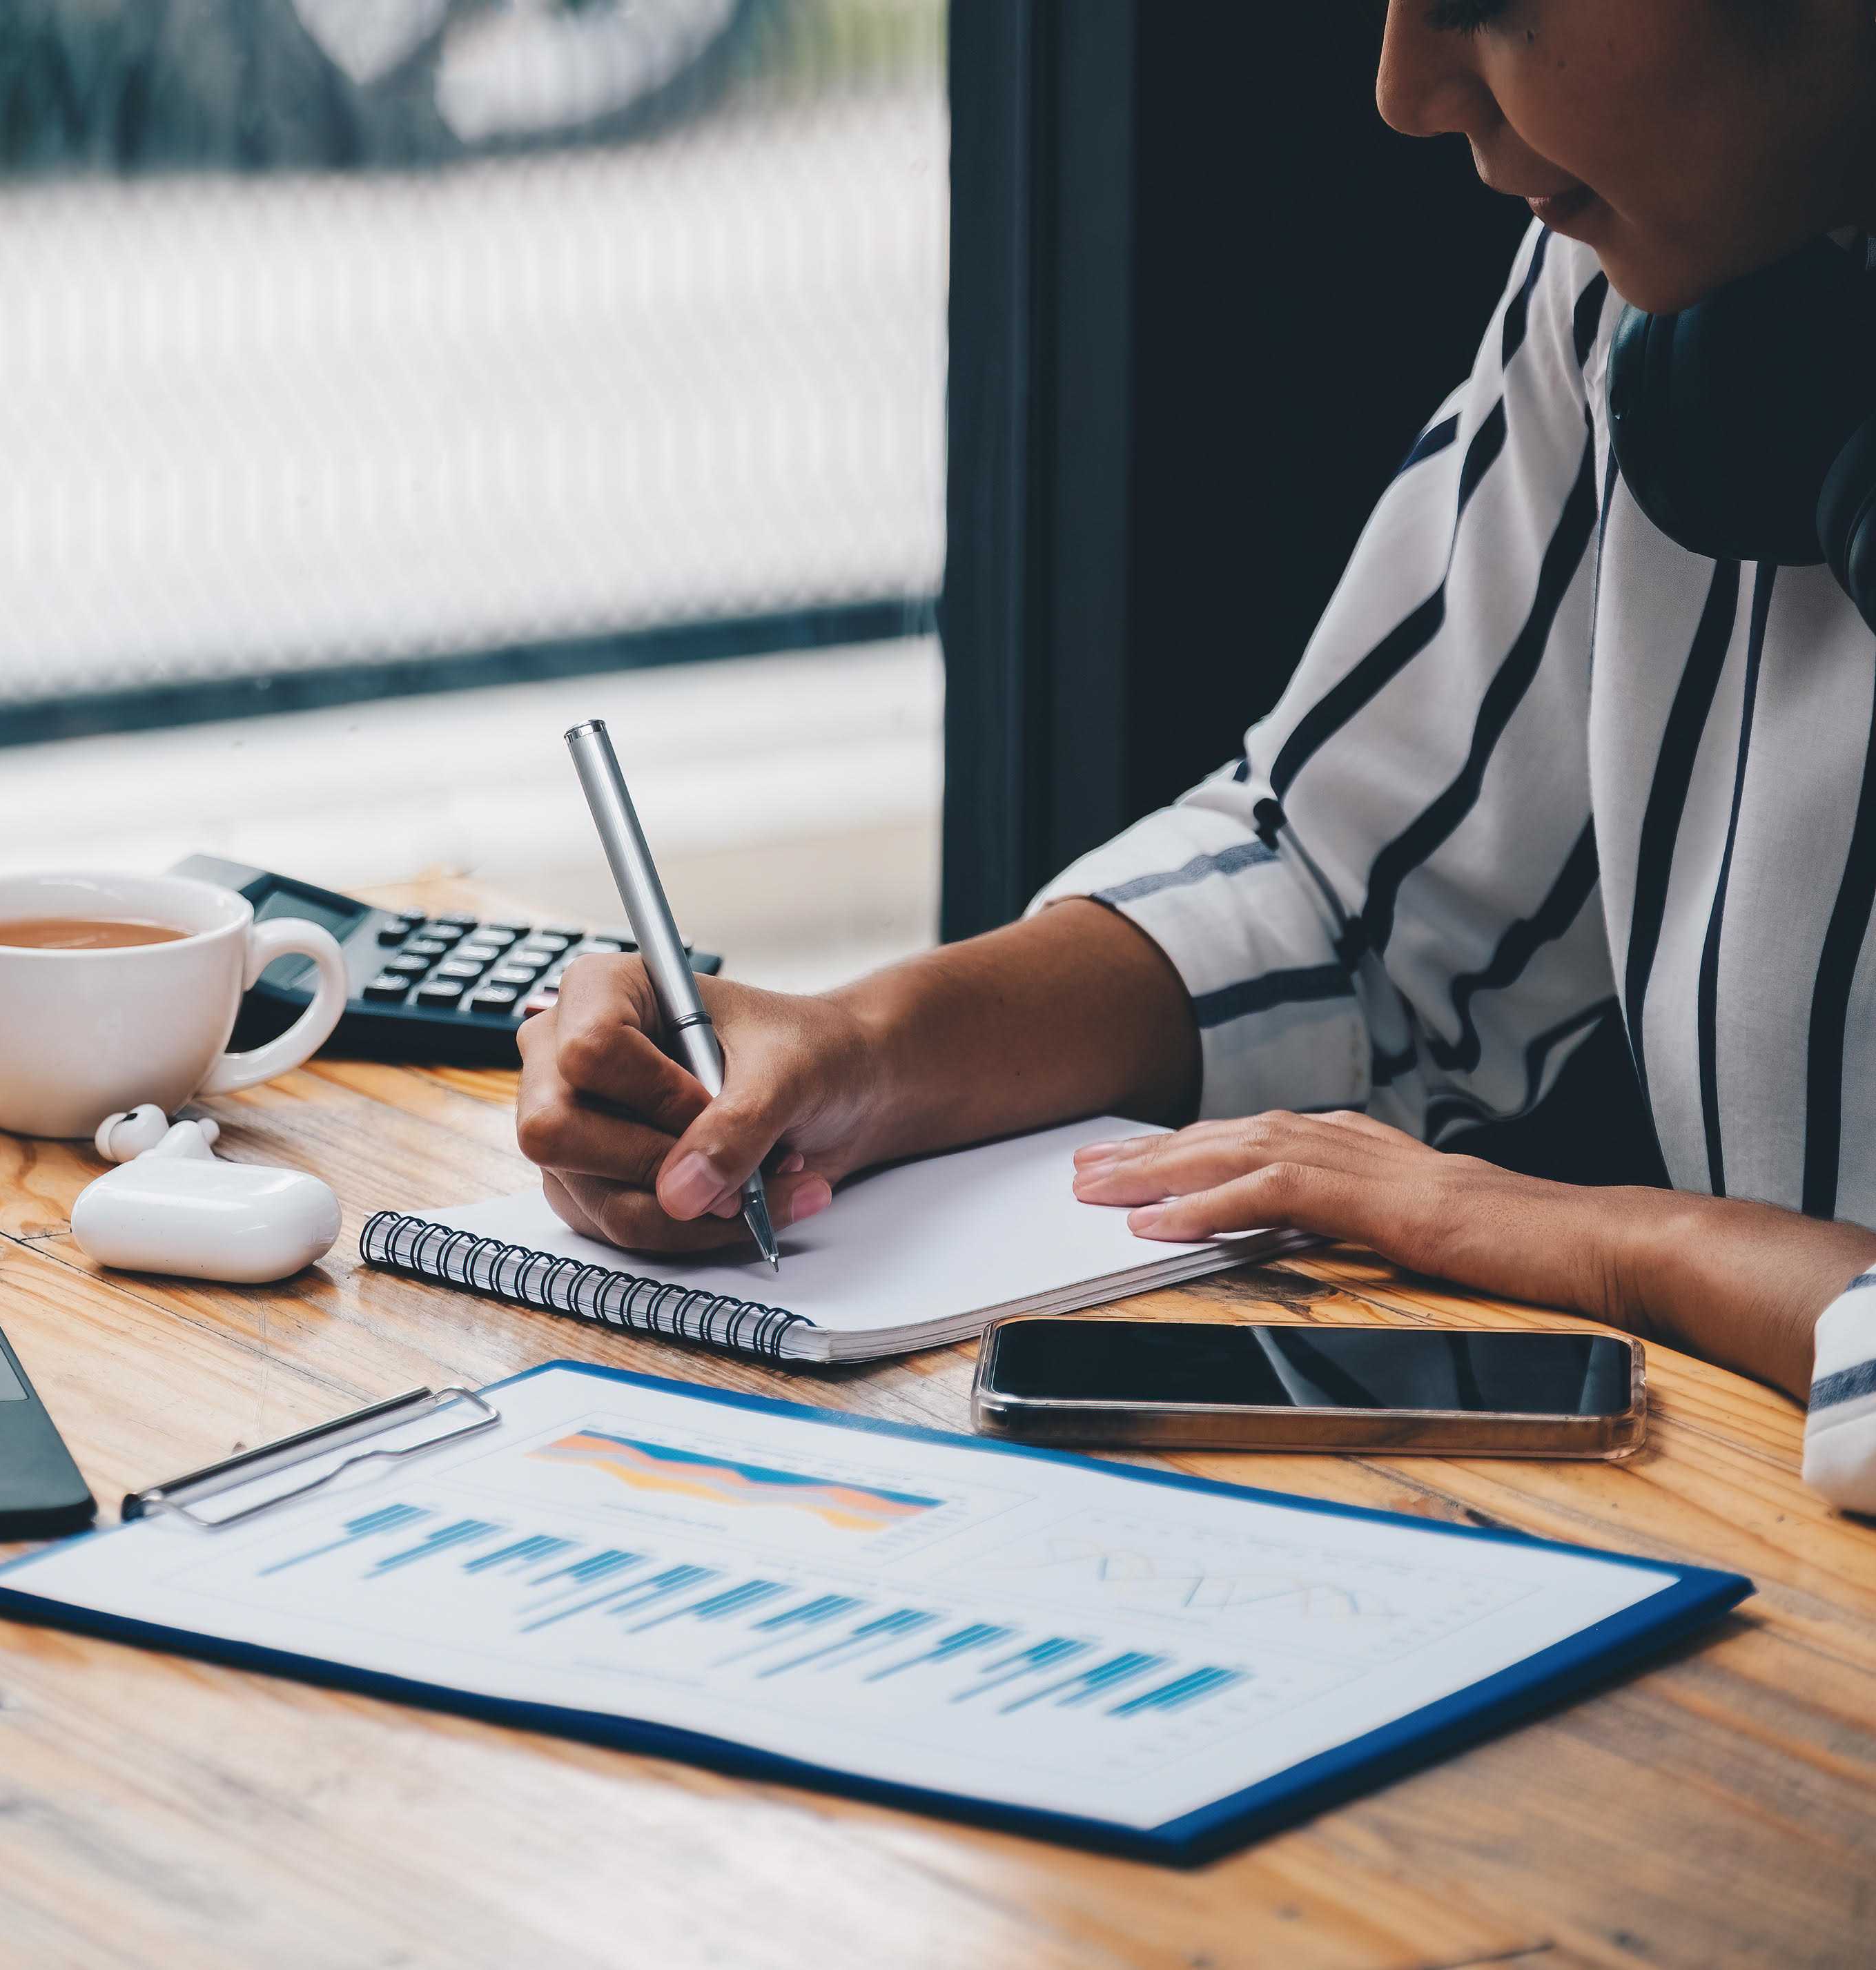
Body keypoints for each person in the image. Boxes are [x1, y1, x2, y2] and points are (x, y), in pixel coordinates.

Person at [511, 0, 1876, 1503]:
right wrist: (862, 1051)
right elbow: (1343, 892)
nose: (1407, 92)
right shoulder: (1640, 292)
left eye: (1489, 0)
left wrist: (1633, 1243)